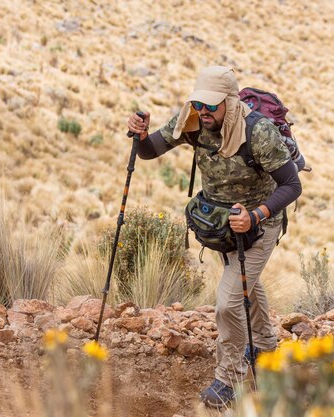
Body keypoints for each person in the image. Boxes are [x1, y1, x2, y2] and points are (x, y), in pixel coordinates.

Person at [126, 66, 302, 408]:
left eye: (212, 106)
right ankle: (265, 348)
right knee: (246, 283)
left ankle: (229, 378)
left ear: (230, 102)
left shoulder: (258, 132)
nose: (204, 112)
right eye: (199, 104)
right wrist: (141, 136)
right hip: (222, 223)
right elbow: (150, 152)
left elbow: (292, 184)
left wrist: (255, 216)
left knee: (227, 302)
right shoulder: (192, 119)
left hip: (259, 223)